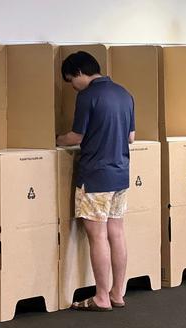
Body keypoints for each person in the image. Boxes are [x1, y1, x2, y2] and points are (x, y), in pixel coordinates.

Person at [57, 51, 135, 311]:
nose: (72, 86)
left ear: (79, 73)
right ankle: (117, 293)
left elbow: (77, 136)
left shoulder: (87, 96)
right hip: (121, 173)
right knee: (117, 233)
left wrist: (56, 139)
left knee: (97, 236)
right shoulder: (125, 93)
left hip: (95, 175)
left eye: (71, 80)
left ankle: (101, 296)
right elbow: (131, 137)